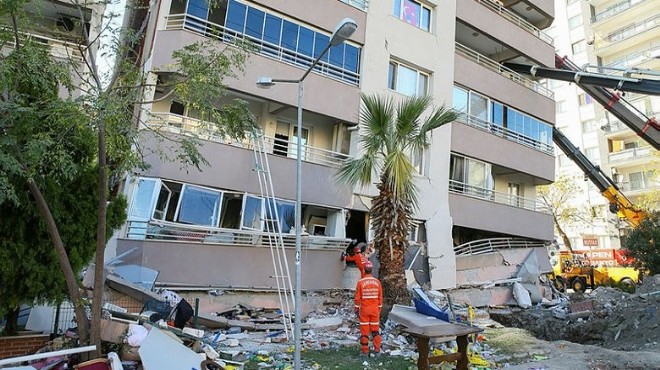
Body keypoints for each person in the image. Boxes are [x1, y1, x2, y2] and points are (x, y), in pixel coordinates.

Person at [354, 260, 382, 357]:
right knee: (375, 331)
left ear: (364, 270)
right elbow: (380, 298)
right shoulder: (377, 282)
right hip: (375, 310)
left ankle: (365, 351)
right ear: (372, 270)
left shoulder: (360, 282)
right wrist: (378, 310)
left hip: (364, 310)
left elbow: (357, 298)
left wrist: (356, 309)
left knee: (364, 331)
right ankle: (377, 350)